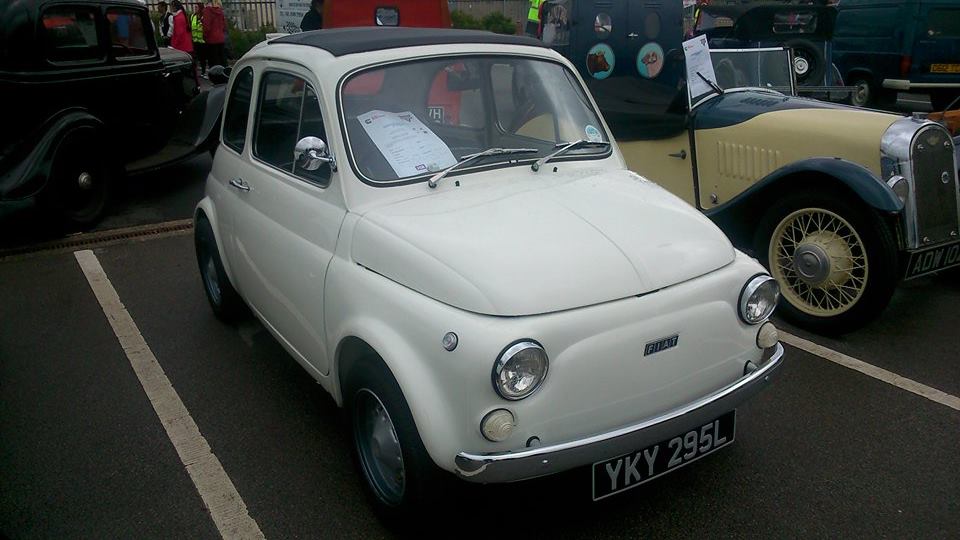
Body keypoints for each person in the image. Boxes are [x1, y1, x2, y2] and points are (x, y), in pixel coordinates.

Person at [202, 0, 227, 68]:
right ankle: (225, 75)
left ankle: (215, 76)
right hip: (221, 38)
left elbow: (206, 27)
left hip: (211, 40)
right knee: (222, 59)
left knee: (213, 61)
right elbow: (224, 26)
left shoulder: (207, 11)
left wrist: (205, 37)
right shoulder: (220, 11)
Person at [190, 2, 206, 76]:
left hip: (202, 41)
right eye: (194, 7)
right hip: (195, 40)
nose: (195, 9)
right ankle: (196, 71)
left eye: (196, 7)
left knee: (203, 57)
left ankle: (204, 71)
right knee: (195, 57)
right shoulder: (193, 16)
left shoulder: (203, 16)